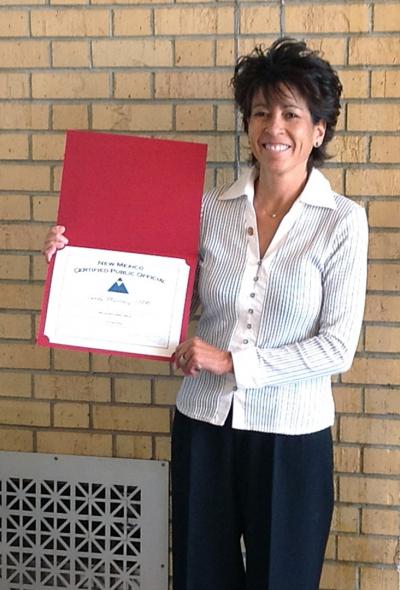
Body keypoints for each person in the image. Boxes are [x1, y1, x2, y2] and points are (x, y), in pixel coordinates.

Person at [43, 38, 368, 590]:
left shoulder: (342, 222)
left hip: (289, 438)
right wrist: (77, 259)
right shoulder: (209, 209)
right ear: (247, 124)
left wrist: (233, 362)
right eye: (261, 112)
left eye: (291, 113)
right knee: (200, 577)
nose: (274, 127)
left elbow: (337, 347)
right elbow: (174, 298)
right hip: (203, 427)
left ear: (319, 131)